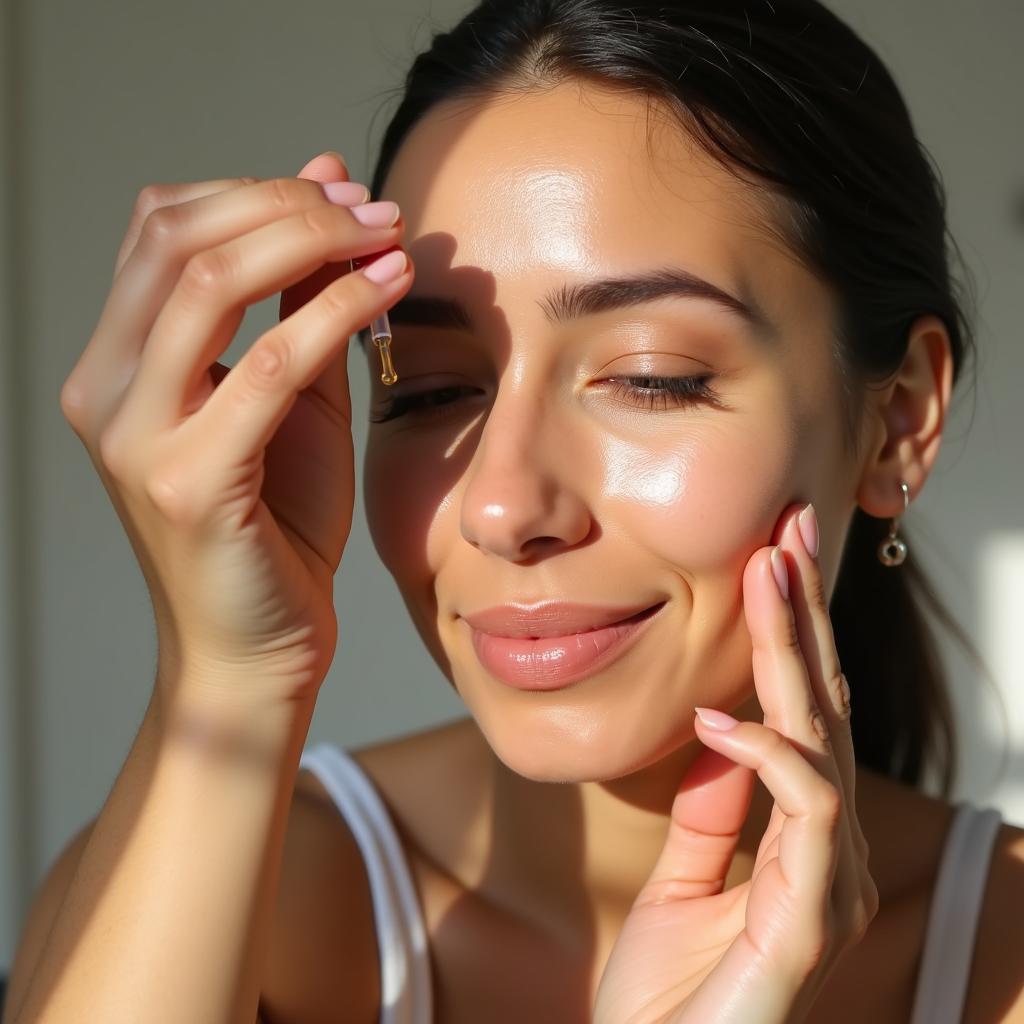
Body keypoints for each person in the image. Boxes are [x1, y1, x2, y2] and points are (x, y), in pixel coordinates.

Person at [4, 0, 1022, 1021]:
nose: (499, 504)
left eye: (649, 378)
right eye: (431, 389)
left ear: (895, 421)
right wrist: (229, 672)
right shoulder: (232, 911)